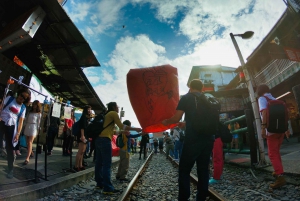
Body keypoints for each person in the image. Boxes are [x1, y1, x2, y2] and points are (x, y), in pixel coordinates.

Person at [162, 79, 214, 201]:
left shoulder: (186, 98)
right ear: (202, 88)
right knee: (203, 170)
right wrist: (185, 124)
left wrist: (166, 121)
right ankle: (201, 198)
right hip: (208, 139)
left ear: (190, 87)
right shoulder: (208, 99)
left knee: (184, 170)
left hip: (193, 139)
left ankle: (183, 198)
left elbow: (176, 117)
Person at [94, 102, 142, 195]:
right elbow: (121, 125)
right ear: (113, 107)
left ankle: (99, 184)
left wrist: (123, 132)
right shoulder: (113, 113)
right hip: (105, 141)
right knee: (107, 164)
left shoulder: (106, 115)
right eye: (117, 107)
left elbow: (113, 131)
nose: (118, 108)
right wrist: (135, 129)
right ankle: (108, 188)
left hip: (98, 139)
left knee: (99, 163)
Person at [257, 84, 289, 189]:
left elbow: (265, 112)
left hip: (271, 131)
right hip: (281, 130)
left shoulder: (262, 98)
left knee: (272, 154)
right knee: (276, 152)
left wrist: (263, 128)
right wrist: (286, 128)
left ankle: (280, 178)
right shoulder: (273, 98)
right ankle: (278, 171)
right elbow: (285, 113)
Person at [0, 88, 31, 178]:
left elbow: (21, 122)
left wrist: (18, 133)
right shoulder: (9, 99)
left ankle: (10, 169)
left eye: (25, 98)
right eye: (22, 95)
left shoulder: (23, 108)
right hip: (1, 122)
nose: (22, 98)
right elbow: (1, 107)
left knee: (10, 148)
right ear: (19, 93)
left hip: (12, 126)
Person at [23, 100, 41, 165]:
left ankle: (27, 158)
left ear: (37, 106)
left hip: (34, 127)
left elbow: (38, 123)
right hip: (28, 125)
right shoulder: (30, 112)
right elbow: (26, 119)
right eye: (33, 104)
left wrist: (38, 130)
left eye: (35, 105)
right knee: (27, 142)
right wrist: (24, 126)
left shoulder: (39, 114)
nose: (34, 106)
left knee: (30, 142)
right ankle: (31, 153)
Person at [74, 105, 91, 171]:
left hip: (85, 135)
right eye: (88, 109)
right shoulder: (83, 117)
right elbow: (82, 127)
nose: (89, 111)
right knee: (80, 151)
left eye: (90, 109)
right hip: (82, 135)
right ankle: (76, 166)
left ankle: (80, 165)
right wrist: (82, 136)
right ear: (86, 110)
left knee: (83, 151)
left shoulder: (87, 118)